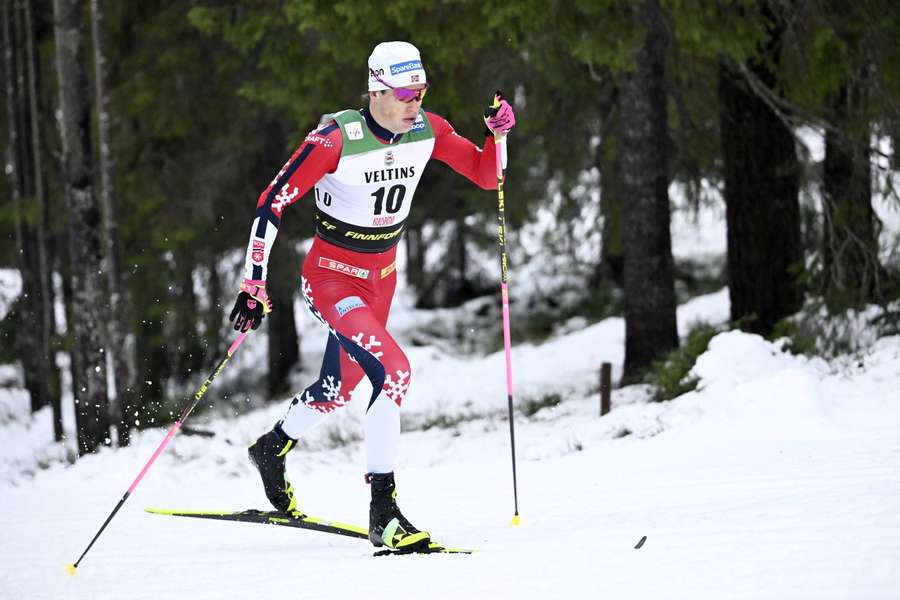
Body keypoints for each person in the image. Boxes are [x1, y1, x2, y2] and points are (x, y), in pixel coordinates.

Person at [229, 41, 516, 551]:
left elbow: (485, 173)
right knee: (395, 371)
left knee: (338, 388)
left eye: (421, 92)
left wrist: (498, 138)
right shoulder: (336, 138)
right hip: (332, 278)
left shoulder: (428, 128)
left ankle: (272, 448)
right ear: (376, 90)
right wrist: (254, 283)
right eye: (406, 93)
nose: (415, 104)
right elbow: (272, 201)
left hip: (381, 279)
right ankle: (383, 511)